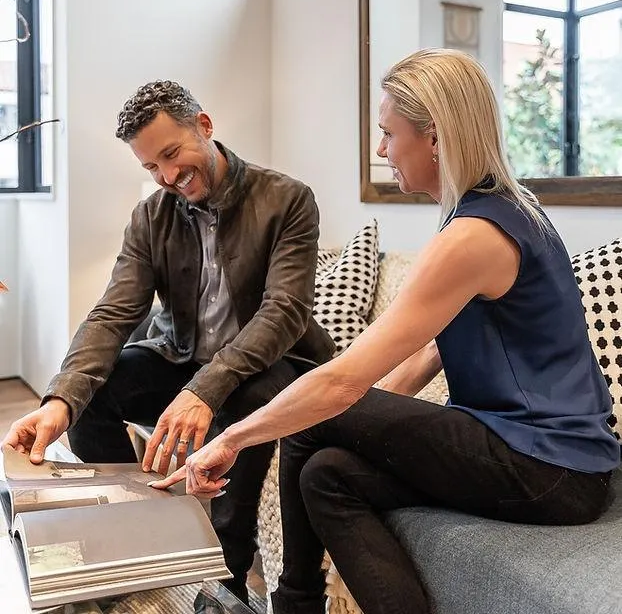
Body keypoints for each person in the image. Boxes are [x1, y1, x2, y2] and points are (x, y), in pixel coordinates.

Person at [152, 50, 620, 614]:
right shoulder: (499, 211)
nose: (381, 150)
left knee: (312, 416)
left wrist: (231, 439)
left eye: (388, 133)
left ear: (435, 137)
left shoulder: (474, 236)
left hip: (549, 465)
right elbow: (430, 350)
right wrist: (363, 424)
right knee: (327, 473)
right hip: (546, 460)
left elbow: (340, 384)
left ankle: (294, 605)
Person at [2, 80, 335, 607]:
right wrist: (59, 400)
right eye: (151, 166)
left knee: (248, 400)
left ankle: (226, 575)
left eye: (172, 154)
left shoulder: (287, 198)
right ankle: (139, 530)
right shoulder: (150, 216)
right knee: (93, 396)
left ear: (204, 126)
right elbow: (114, 312)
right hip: (184, 356)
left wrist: (204, 390)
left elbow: (284, 312)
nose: (167, 175)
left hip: (272, 364)